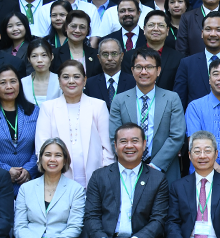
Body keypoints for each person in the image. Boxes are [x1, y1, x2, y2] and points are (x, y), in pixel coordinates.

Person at [75, 123, 169, 238]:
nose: (129, 146)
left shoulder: (157, 178)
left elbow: (158, 220)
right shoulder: (100, 176)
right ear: (115, 145)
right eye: (123, 141)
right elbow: (91, 216)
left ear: (144, 145)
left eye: (135, 141)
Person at [109, 48, 186, 183]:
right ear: (132, 71)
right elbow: (114, 137)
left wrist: (155, 166)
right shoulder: (119, 100)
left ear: (158, 71)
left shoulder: (172, 98)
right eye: (139, 67)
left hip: (164, 170)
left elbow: (177, 136)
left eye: (149, 67)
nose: (143, 72)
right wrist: (133, 164)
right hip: (129, 170)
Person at [35, 60, 114, 188]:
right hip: (57, 179)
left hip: (95, 179)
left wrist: (104, 175)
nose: (71, 81)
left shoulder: (98, 105)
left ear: (85, 80)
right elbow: (41, 146)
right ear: (59, 81)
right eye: (66, 77)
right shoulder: (48, 107)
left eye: (76, 77)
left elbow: (108, 148)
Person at [11, 138, 85, 238]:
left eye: (58, 155)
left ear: (65, 160)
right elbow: (20, 225)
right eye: (47, 155)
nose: (52, 159)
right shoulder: (26, 188)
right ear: (40, 159)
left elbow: (74, 227)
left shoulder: (76, 190)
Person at [0, 65, 39, 195]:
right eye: (2, 82)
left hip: (29, 182)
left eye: (13, 81)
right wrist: (6, 170)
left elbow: (40, 145)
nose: (9, 86)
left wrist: (27, 170)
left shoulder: (34, 111)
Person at [185, 59, 220, 176]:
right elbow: (193, 143)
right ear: (209, 80)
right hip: (201, 175)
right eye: (215, 74)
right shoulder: (195, 107)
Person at [122, 10, 183, 91]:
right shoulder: (130, 56)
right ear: (144, 29)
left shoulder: (178, 58)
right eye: (151, 25)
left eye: (161, 25)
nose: (156, 29)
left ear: (167, 31)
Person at [83, 38, 136, 110]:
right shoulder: (90, 84)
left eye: (114, 54)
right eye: (105, 54)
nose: (110, 58)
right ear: (99, 57)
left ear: (121, 56)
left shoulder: (133, 82)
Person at [50, 10, 103, 77]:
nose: (77, 30)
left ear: (87, 30)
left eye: (82, 27)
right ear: (66, 27)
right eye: (73, 26)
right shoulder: (55, 55)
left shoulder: (96, 55)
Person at [23, 38, 62, 106]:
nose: (39, 60)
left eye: (44, 55)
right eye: (34, 56)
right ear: (29, 59)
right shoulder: (23, 83)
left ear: (51, 57)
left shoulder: (60, 81)